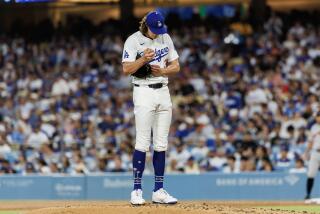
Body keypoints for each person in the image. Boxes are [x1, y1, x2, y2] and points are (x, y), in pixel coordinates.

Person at [122, 11, 180, 205]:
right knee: (143, 141)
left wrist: (163, 70)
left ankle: (158, 190)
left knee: (161, 143)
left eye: (159, 28)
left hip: (163, 89)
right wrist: (143, 60)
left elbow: (176, 66)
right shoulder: (133, 40)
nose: (157, 32)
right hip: (143, 91)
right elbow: (126, 69)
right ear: (146, 25)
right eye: (154, 29)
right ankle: (136, 190)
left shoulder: (165, 37)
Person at [305, 111, 320, 200]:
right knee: (311, 174)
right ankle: (308, 195)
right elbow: (310, 141)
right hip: (315, 152)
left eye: (318, 116)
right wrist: (307, 152)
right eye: (317, 117)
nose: (317, 118)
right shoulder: (314, 127)